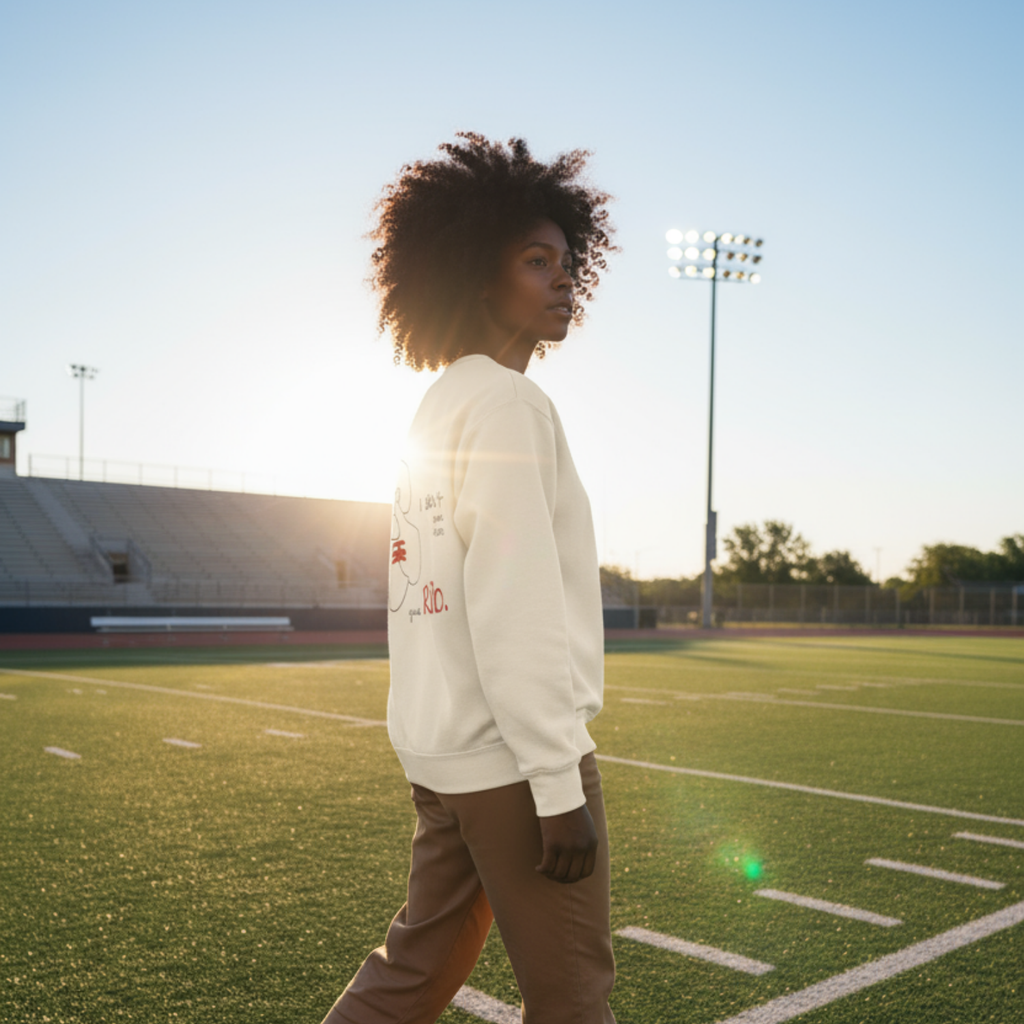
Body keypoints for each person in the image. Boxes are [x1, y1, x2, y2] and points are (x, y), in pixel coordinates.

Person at [321, 132, 617, 1024]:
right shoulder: (507, 401)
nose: (564, 278)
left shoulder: (438, 401)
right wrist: (558, 786)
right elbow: (511, 606)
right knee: (573, 1002)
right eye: (537, 260)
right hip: (515, 767)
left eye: (568, 261)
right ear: (476, 274)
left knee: (411, 973)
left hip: (443, 756)